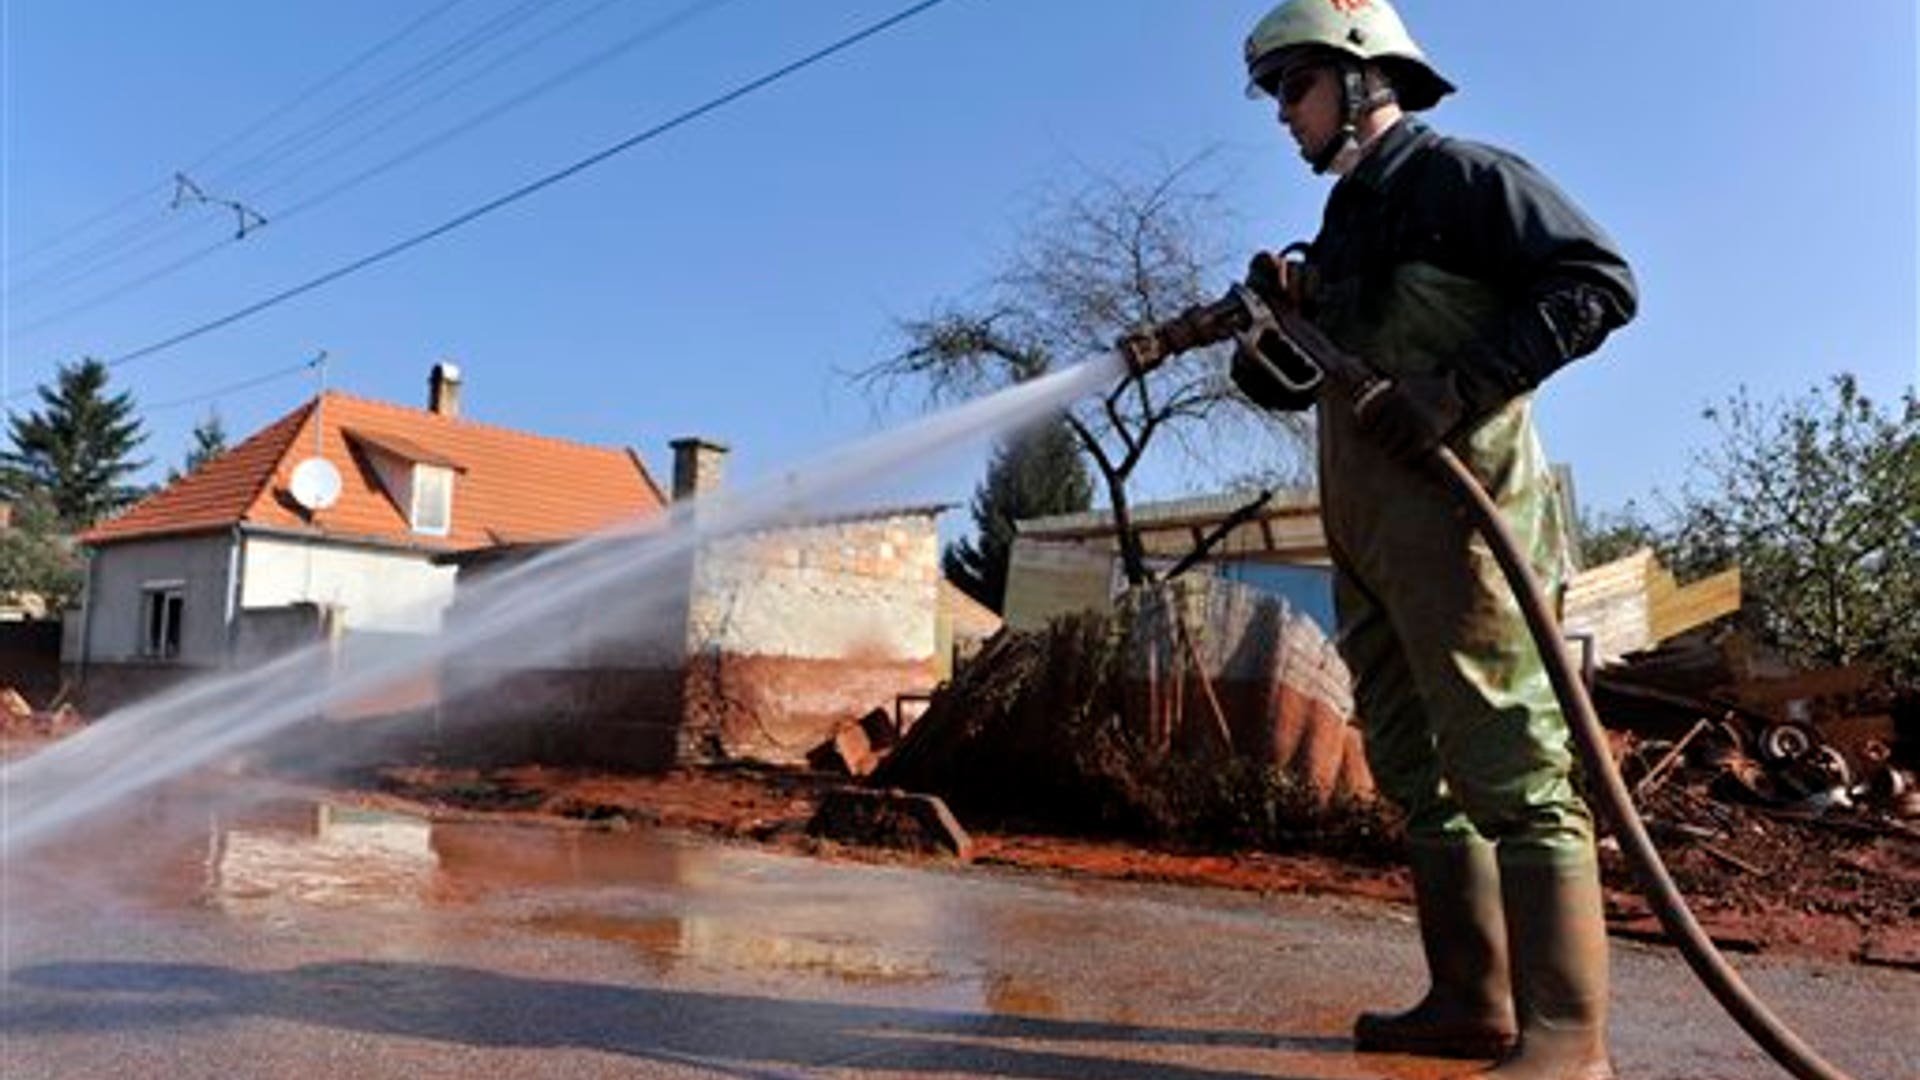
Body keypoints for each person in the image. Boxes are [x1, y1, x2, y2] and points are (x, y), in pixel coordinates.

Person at [1230, 2, 1638, 1078]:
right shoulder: (1350, 222)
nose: (1282, 116)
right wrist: (1283, 319)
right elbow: (1324, 376)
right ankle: (1471, 997)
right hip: (1370, 539)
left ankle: (1568, 1039)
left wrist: (1455, 389)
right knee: (1419, 771)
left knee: (1515, 768)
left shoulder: (1461, 178)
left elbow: (1598, 284)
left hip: (1465, 533)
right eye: (1276, 95)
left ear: (1363, 81)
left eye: (1294, 88)